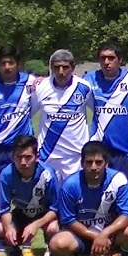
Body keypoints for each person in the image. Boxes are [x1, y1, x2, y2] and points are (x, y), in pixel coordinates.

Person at [46, 141, 128, 256]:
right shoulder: (70, 185)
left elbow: (127, 215)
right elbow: (68, 220)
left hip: (110, 236)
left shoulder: (118, 180)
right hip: (81, 237)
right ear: (82, 163)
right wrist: (96, 237)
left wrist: (104, 234)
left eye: (98, 162)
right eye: (89, 162)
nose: (94, 167)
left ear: (106, 163)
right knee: (57, 244)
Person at [0, 135, 60, 256]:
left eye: (28, 157)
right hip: (22, 212)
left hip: (44, 213)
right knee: (1, 229)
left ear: (36, 157)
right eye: (19, 157)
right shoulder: (6, 174)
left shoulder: (47, 174)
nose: (23, 162)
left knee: (53, 229)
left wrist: (36, 225)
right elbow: (4, 208)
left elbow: (55, 209)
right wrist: (9, 227)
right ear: (12, 157)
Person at [31, 49, 93, 182]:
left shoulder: (84, 87)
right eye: (56, 67)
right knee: (49, 194)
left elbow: (99, 112)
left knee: (73, 193)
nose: (61, 72)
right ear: (51, 67)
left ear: (73, 67)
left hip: (75, 156)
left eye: (65, 67)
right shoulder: (41, 87)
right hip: (48, 155)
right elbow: (27, 114)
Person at [83, 42, 128, 181]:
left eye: (111, 58)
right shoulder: (89, 79)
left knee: (120, 188)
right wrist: (42, 80)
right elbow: (68, 84)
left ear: (120, 59)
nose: (106, 62)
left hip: (123, 149)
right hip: (98, 147)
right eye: (103, 58)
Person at [0, 46, 36, 178]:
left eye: (11, 62)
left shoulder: (30, 82)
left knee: (24, 187)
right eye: (3, 63)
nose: (7, 67)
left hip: (23, 150)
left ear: (18, 64)